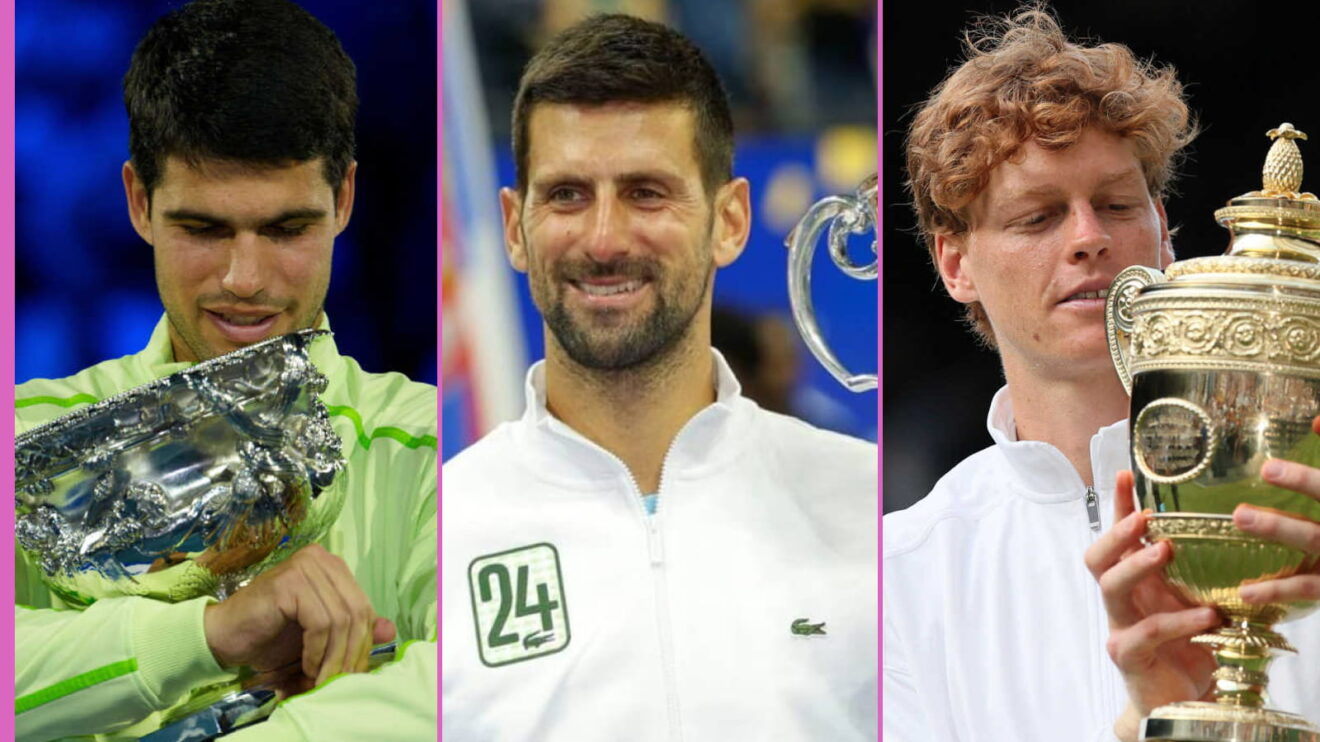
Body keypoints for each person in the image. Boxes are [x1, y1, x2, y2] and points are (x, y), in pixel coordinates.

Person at [882, 7, 1320, 741]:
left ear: (1164, 233)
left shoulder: (1298, 498)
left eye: (1115, 205)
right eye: (1038, 216)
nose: (1089, 238)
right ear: (955, 262)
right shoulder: (904, 575)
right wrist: (1145, 724)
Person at [441, 14, 877, 741]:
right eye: (567, 195)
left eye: (646, 192)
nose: (604, 238)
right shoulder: (439, 536)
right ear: (514, 226)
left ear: (729, 220)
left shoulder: (865, 507)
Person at [13, 1, 436, 740]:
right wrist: (211, 636)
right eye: (204, 229)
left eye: (286, 229)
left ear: (344, 200)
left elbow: (486, 687)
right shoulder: (28, 436)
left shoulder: (436, 448)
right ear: (139, 203)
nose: (245, 277)